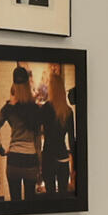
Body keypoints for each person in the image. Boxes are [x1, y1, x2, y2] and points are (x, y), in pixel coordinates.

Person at [0, 64, 50, 203]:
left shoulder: (8, 108)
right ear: (28, 84)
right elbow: (37, 141)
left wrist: (1, 149)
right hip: (30, 160)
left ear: (14, 85)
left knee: (15, 204)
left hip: (13, 159)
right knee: (30, 204)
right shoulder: (35, 109)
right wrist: (40, 165)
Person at [37, 65, 79, 200]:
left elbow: (38, 132)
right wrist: (75, 166)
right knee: (63, 196)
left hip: (48, 155)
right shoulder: (68, 112)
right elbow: (72, 140)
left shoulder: (45, 109)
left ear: (51, 89)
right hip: (62, 157)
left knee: (49, 195)